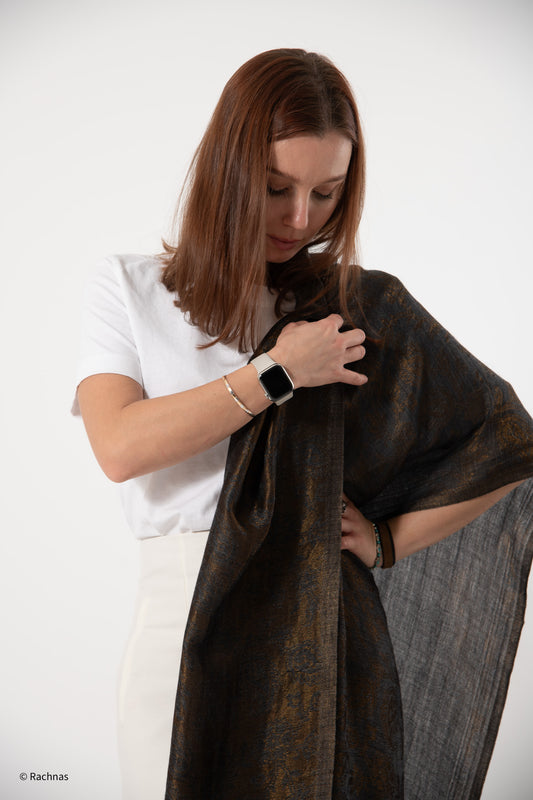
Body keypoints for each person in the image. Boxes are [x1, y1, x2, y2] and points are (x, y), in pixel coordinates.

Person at [73, 49, 533, 799]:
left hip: (315, 636)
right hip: (180, 629)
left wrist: (387, 540)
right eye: (274, 188)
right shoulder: (129, 288)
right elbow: (120, 446)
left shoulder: (354, 310)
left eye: (326, 193)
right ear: (226, 171)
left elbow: (508, 438)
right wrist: (278, 371)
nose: (300, 218)